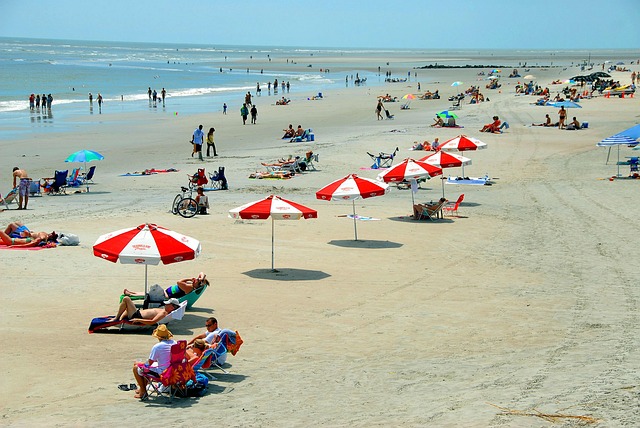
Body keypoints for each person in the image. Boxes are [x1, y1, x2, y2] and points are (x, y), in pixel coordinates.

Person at [132, 324, 176, 399]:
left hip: (163, 373)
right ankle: (142, 389)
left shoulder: (158, 346)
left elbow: (149, 363)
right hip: (173, 370)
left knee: (136, 368)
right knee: (146, 368)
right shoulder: (174, 343)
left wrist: (139, 364)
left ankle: (143, 392)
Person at [123, 272, 209, 299]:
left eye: (197, 280)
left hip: (166, 296)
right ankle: (131, 292)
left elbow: (179, 282)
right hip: (165, 292)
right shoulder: (192, 286)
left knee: (149, 294)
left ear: (196, 284)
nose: (195, 279)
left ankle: (130, 294)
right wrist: (201, 278)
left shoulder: (189, 287)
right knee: (148, 292)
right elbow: (202, 273)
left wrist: (190, 279)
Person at [111, 297, 180, 324]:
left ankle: (117, 318)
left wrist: (138, 320)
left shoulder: (163, 313)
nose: (165, 304)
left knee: (126, 299)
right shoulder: (164, 310)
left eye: (168, 304)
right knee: (126, 306)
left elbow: (152, 322)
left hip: (136, 315)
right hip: (137, 313)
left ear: (172, 307)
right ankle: (119, 318)